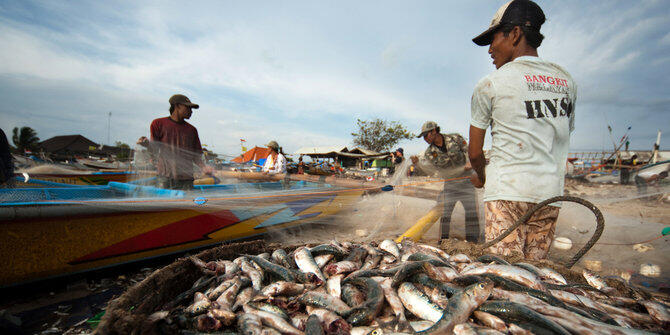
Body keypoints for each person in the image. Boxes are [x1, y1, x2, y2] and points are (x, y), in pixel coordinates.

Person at [468, 0, 577, 260]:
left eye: (493, 39)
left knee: (505, 273)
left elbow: (474, 153)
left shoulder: (490, 83)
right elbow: (559, 136)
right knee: (534, 273)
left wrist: (482, 177)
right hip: (549, 196)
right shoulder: (567, 81)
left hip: (506, 193)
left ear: (515, 34)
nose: (490, 50)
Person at [411, 121, 480, 243]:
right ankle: (443, 241)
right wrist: (417, 164)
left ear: (434, 131)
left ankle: (472, 241)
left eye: (426, 135)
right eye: (423, 137)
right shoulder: (429, 153)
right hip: (450, 184)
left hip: (467, 181)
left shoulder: (455, 138)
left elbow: (469, 150)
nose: (425, 139)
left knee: (471, 213)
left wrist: (471, 163)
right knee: (445, 213)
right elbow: (428, 171)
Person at [138, 94, 212, 190]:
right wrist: (146, 144)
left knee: (185, 204)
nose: (191, 111)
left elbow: (196, 156)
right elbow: (154, 149)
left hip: (186, 179)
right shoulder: (158, 124)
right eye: (188, 108)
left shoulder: (192, 130)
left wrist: (204, 167)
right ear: (177, 106)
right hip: (165, 177)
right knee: (165, 204)